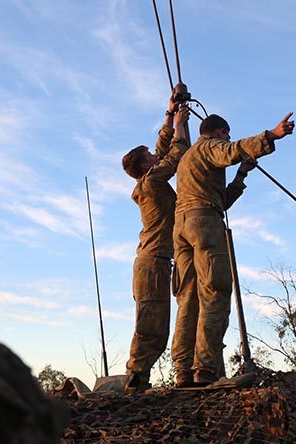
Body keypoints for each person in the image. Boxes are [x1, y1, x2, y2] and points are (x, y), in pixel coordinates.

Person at [171, 112, 295, 387]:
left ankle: (182, 370)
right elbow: (233, 150)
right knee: (215, 291)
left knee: (188, 298)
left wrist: (240, 175)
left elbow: (222, 201)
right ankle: (204, 369)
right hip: (204, 224)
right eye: (226, 134)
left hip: (182, 228)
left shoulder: (187, 159)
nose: (227, 138)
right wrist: (271, 136)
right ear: (218, 132)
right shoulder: (208, 146)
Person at [121, 100, 191, 394]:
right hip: (152, 263)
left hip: (157, 261)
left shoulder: (150, 177)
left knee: (156, 324)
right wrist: (180, 125)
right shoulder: (151, 183)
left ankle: (138, 377)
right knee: (152, 325)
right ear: (143, 166)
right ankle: (135, 378)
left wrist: (169, 113)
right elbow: (176, 154)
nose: (154, 154)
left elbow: (163, 151)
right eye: (149, 155)